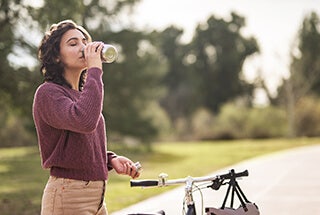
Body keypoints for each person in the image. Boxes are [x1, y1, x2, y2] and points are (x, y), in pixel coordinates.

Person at [32, 20, 140, 215]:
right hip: (69, 196)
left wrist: (109, 160)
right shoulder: (47, 93)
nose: (83, 48)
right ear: (56, 56)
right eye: (73, 44)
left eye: (84, 41)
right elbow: (85, 121)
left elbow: (81, 141)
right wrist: (95, 70)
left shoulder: (83, 96)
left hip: (97, 199)